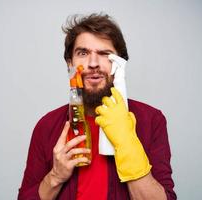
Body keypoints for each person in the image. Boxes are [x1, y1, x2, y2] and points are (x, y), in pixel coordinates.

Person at [18, 13, 176, 200]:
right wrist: (55, 176)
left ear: (119, 65)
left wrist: (127, 142)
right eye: (83, 53)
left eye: (104, 54)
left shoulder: (151, 120)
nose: (93, 64)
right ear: (70, 63)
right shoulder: (47, 126)